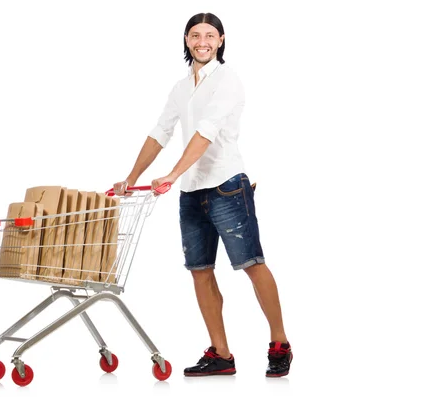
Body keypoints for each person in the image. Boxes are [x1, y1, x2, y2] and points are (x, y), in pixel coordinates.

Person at [113, 12, 292, 378]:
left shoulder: (228, 81)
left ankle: (279, 341)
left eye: (210, 35)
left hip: (227, 185)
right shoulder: (181, 88)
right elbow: (160, 132)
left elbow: (206, 133)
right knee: (200, 272)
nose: (203, 41)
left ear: (221, 40)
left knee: (252, 265)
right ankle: (222, 354)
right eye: (195, 35)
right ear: (186, 40)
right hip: (192, 193)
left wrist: (171, 174)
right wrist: (131, 177)